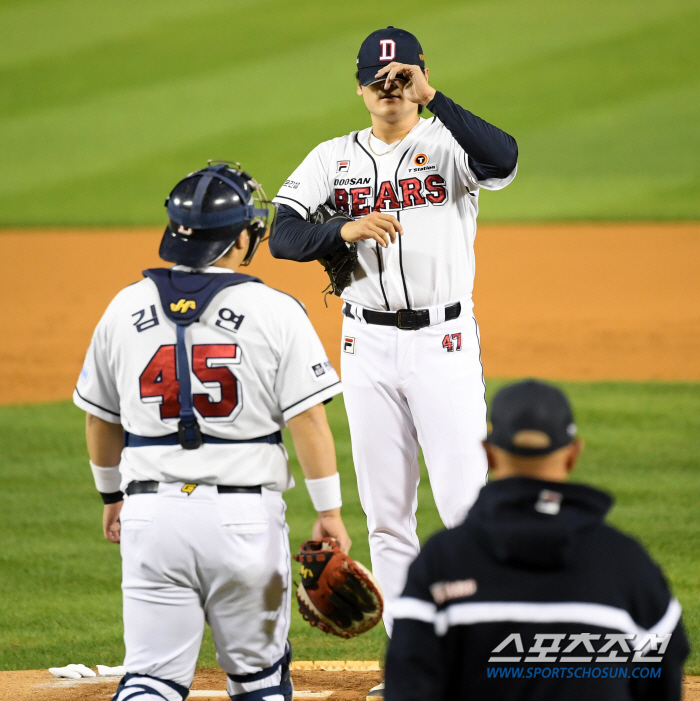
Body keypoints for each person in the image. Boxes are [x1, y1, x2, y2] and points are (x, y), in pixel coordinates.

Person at [270, 25, 518, 652]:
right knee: (386, 518)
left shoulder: (448, 144)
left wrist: (434, 97)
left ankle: (480, 650)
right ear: (359, 87)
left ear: (418, 76)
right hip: (367, 347)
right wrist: (344, 229)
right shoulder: (333, 157)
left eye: (401, 75)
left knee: (466, 507)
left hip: (445, 345)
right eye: (378, 79)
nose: (389, 87)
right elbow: (284, 237)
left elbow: (505, 158)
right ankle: (410, 657)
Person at [73, 162, 350, 701]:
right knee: (260, 682)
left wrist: (112, 497)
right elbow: (308, 419)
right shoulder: (275, 310)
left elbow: (99, 418)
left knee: (150, 679)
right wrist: (329, 512)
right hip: (245, 522)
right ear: (242, 237)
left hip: (151, 518)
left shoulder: (123, 307)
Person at [384, 380, 690, 701]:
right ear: (573, 455)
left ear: (488, 455)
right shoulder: (627, 564)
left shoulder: (441, 562)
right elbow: (662, 684)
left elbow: (408, 686)